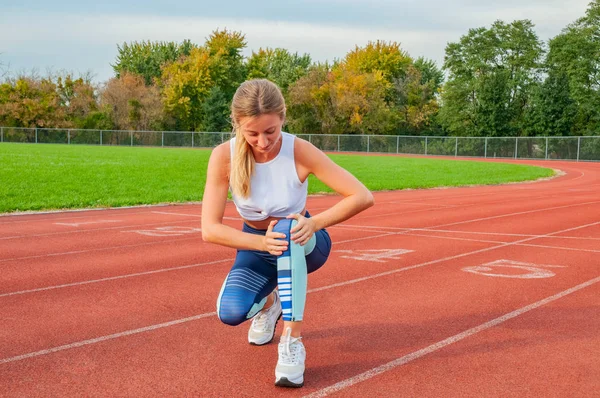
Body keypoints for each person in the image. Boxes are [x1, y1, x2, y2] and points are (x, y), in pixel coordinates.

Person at [201, 78, 374, 388]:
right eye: (252, 133)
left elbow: (362, 196)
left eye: (271, 132)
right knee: (229, 313)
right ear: (237, 124)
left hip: (305, 243)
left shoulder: (300, 151)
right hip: (257, 247)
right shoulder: (223, 157)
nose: (263, 142)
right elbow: (209, 229)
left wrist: (315, 223)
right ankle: (270, 304)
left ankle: (292, 341)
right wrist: (261, 243)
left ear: (282, 117)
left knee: (287, 227)